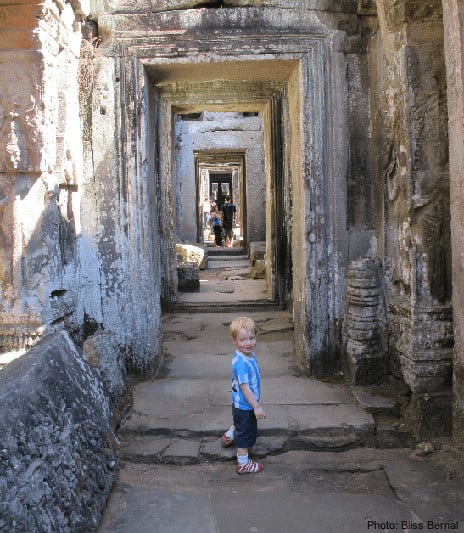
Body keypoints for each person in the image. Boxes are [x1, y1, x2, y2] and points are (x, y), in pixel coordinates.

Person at [221, 316, 266, 474]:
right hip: (246, 404)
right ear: (234, 341)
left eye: (251, 338)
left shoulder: (246, 355)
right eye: (242, 340)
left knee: (240, 423)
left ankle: (230, 434)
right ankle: (243, 463)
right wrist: (256, 406)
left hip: (240, 403)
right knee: (245, 434)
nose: (248, 343)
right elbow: (245, 388)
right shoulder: (241, 363)